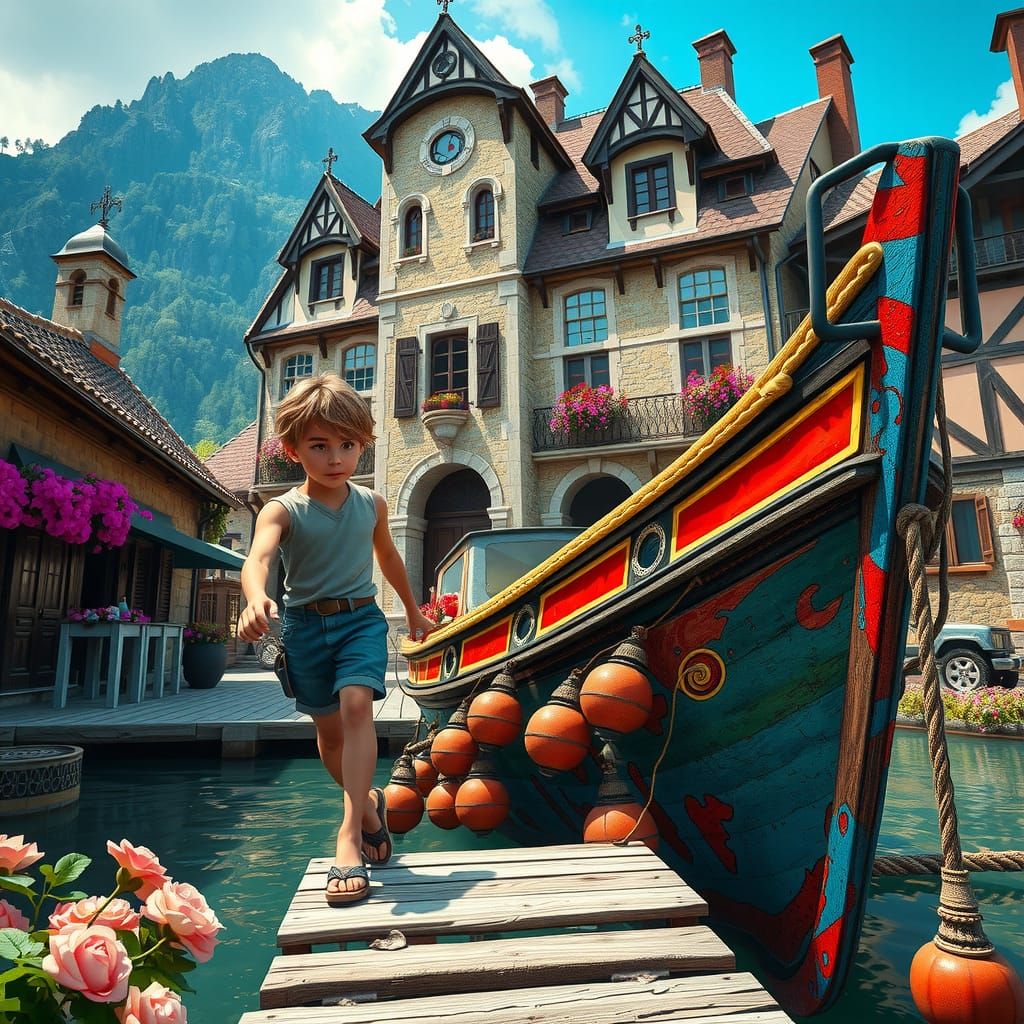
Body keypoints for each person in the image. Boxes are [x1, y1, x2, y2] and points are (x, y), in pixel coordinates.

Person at [237, 373, 437, 906]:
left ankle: (348, 836)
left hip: (360, 622)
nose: (335, 458)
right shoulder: (281, 509)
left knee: (356, 709)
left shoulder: (371, 503)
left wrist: (413, 613)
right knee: (328, 738)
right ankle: (370, 808)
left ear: (362, 444)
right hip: (305, 629)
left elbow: (388, 558)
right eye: (319, 446)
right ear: (292, 449)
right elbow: (258, 558)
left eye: (347, 445)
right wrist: (255, 599)